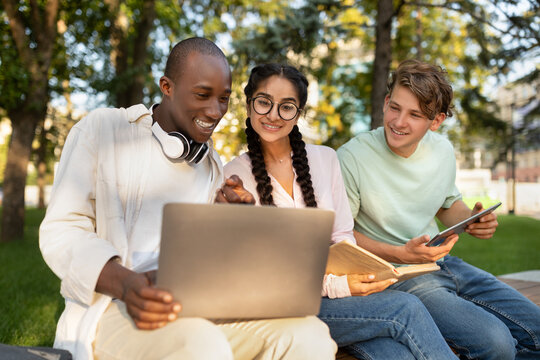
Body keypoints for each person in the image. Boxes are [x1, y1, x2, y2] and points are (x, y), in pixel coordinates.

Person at [39, 38, 337, 360]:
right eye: (202, 95)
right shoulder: (103, 130)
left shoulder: (210, 164)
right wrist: (126, 283)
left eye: (223, 99)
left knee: (309, 335)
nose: (215, 111)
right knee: (201, 344)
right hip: (110, 309)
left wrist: (227, 220)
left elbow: (206, 261)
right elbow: (61, 230)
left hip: (195, 310)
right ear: (167, 86)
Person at [224, 63, 458, 360]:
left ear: (299, 113)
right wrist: (338, 286)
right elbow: (262, 271)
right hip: (282, 310)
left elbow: (343, 240)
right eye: (263, 102)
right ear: (248, 105)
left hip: (339, 301)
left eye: (287, 106)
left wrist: (354, 282)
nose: (273, 115)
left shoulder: (325, 160)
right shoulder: (234, 177)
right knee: (404, 307)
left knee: (394, 353)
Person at [337, 59, 540, 360]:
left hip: (446, 264)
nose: (398, 121)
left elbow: (447, 205)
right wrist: (401, 254)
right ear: (385, 102)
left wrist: (472, 219)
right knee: (496, 344)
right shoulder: (352, 157)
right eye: (395, 107)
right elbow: (341, 238)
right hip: (400, 278)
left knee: (535, 330)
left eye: (414, 115)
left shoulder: (442, 150)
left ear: (436, 121)